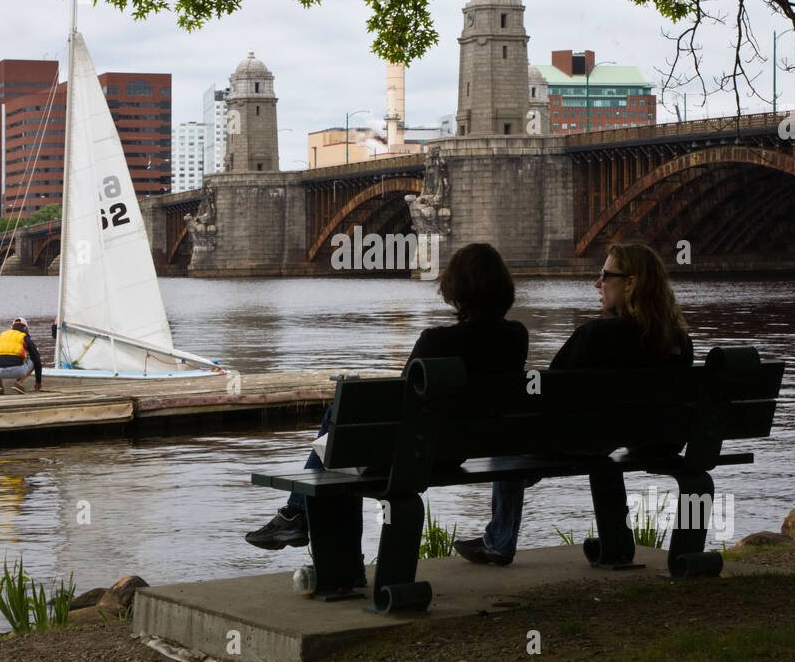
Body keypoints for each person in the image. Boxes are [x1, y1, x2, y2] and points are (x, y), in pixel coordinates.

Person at [245, 243, 529, 559]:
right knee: (344, 441)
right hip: (459, 452)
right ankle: (296, 515)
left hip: (416, 456)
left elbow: (398, 403)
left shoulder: (436, 341)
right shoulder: (517, 337)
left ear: (456, 289)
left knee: (340, 430)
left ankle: (302, 520)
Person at [455, 241, 692, 566]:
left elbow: (549, 395)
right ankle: (616, 545)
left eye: (606, 275)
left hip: (576, 441)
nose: (598, 283)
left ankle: (499, 541)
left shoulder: (595, 335)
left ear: (631, 283)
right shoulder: (678, 341)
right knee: (593, 444)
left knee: (509, 439)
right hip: (649, 441)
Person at [0, 317, 44, 395]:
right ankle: (19, 383)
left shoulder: (2, 336)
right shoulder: (24, 337)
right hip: (17, 371)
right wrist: (38, 382)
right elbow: (38, 362)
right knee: (34, 360)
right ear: (25, 328)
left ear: (12, 327)